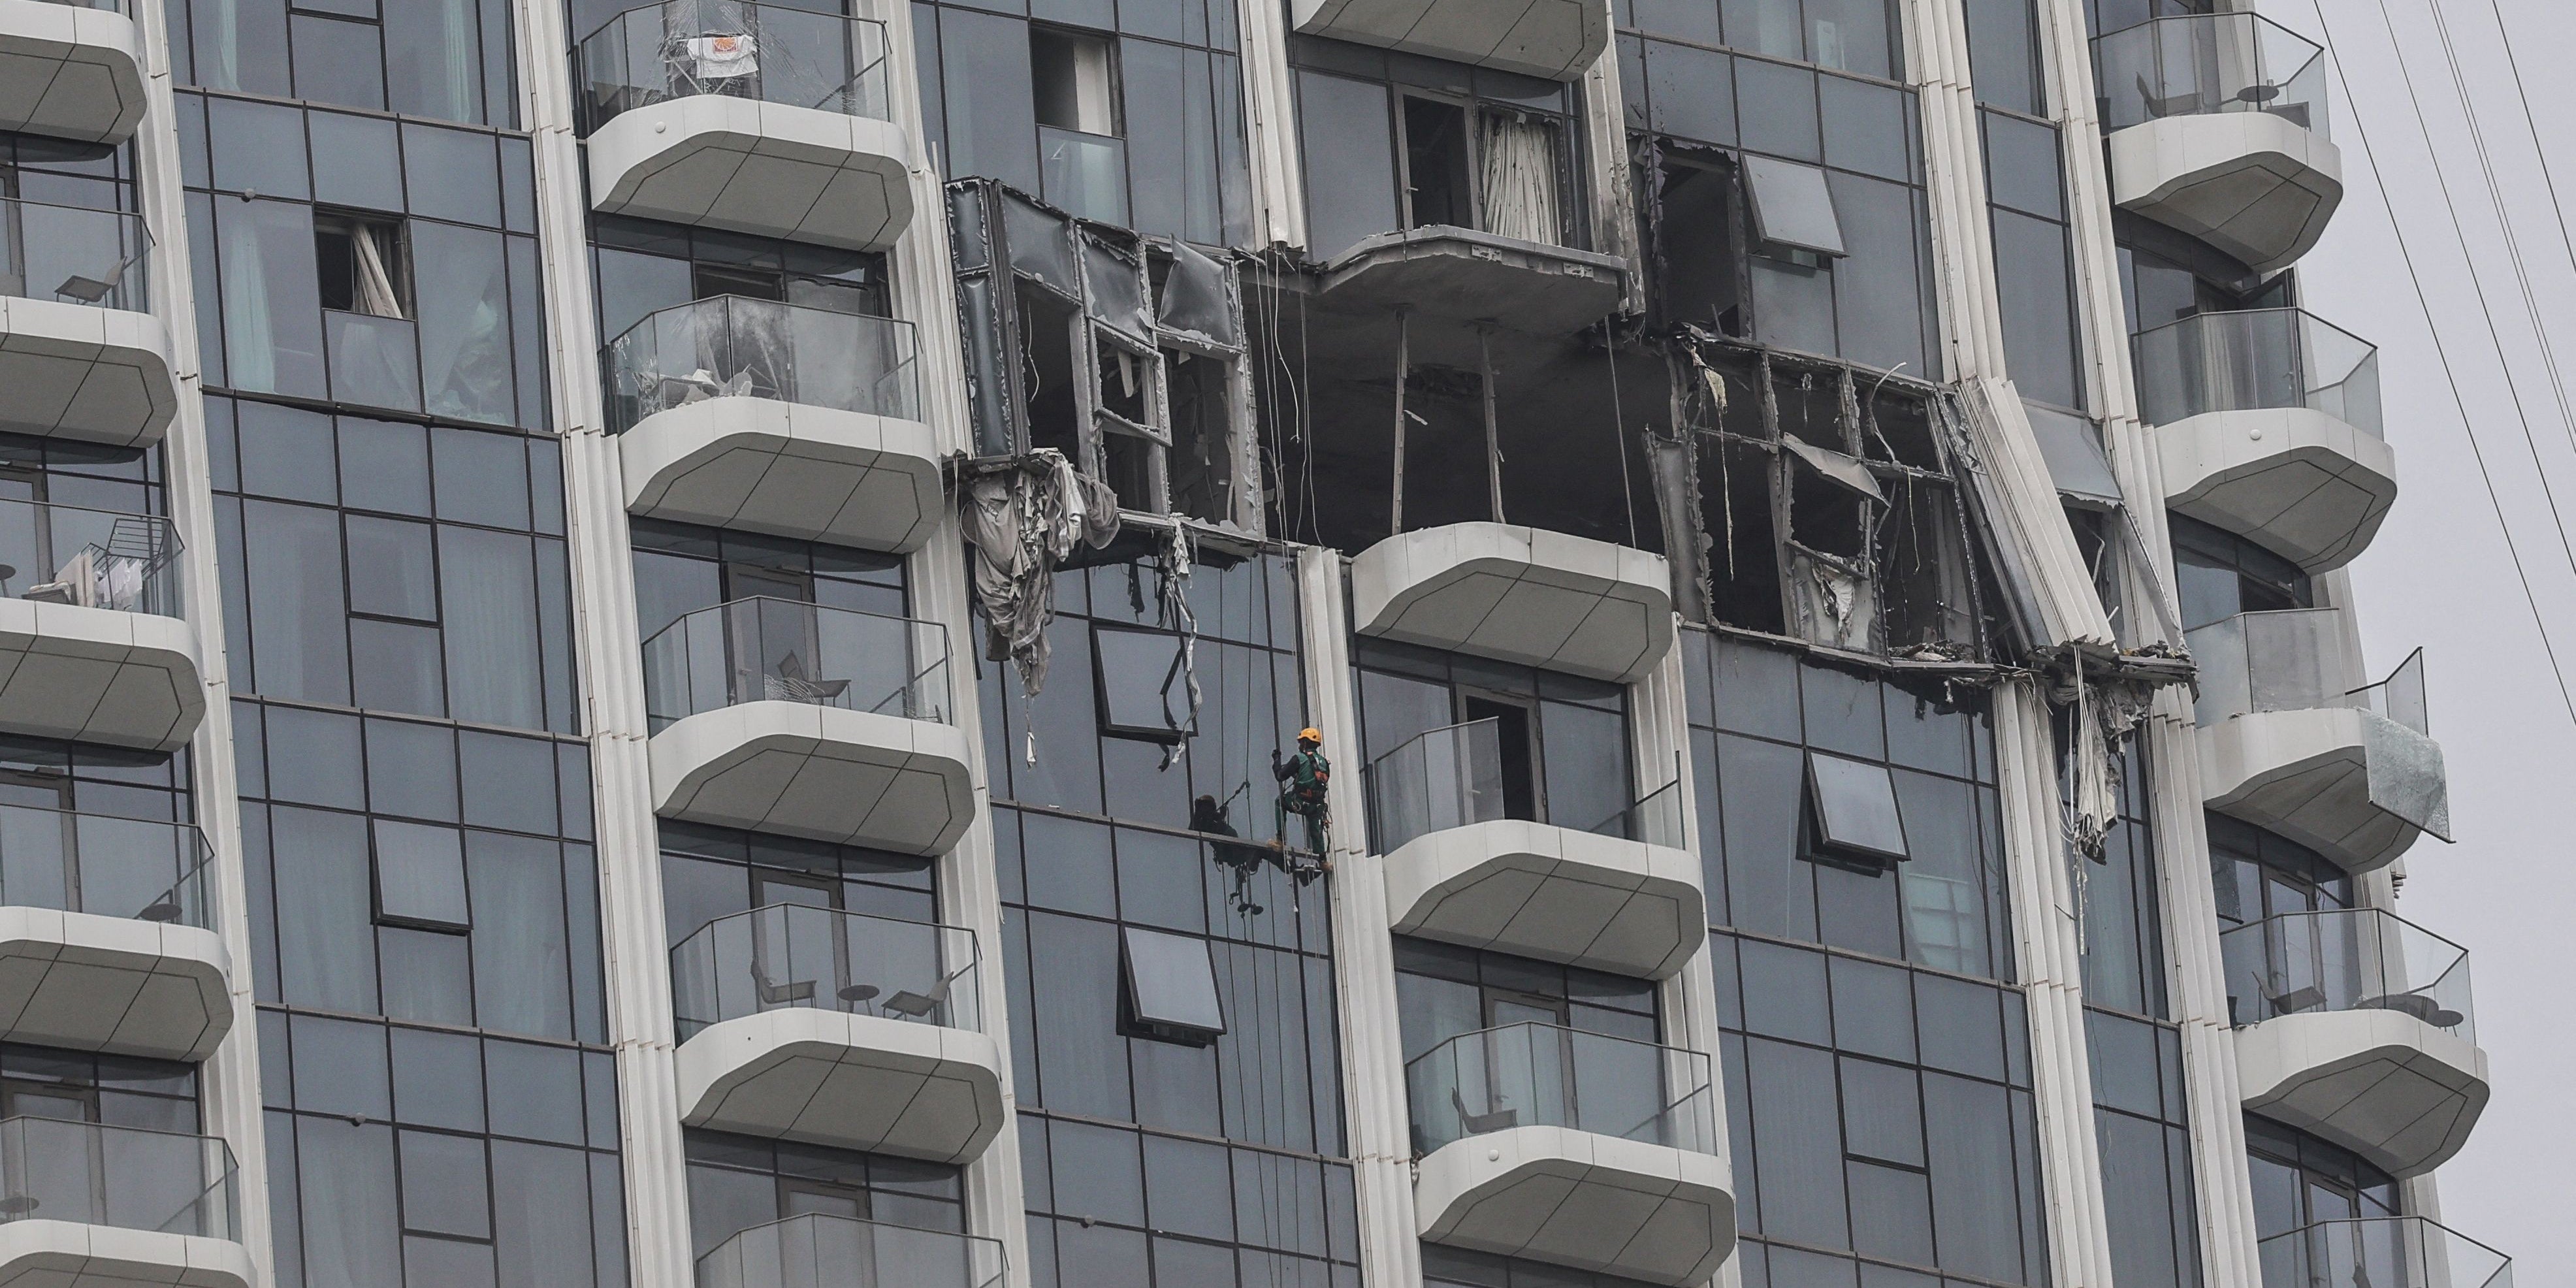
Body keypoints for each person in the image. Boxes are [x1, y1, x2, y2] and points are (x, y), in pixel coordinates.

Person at [1271, 727, 1330, 861]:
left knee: (1279, 802)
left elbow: (1280, 776)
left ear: (1305, 743)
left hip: (1300, 801)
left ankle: (1280, 840)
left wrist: (1276, 760)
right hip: (1316, 806)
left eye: (1300, 743)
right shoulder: (1325, 763)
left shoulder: (1300, 759)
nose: (1299, 746)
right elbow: (1312, 780)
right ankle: (1323, 860)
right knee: (1316, 829)